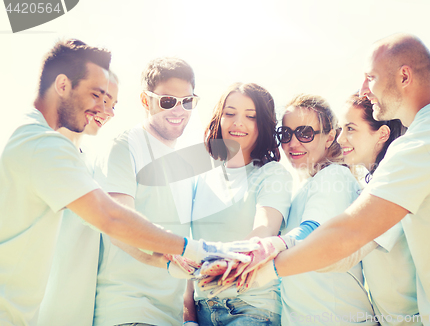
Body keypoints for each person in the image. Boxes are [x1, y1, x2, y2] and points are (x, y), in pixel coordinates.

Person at [0, 39, 252, 326]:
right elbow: (113, 220)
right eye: (97, 96)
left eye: (110, 102)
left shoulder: (65, 152)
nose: (104, 110)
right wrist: (197, 250)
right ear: (62, 85)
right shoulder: (42, 144)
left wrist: (171, 265)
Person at [264, 33, 430, 324]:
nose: (364, 89)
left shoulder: (421, 143)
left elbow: (351, 235)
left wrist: (264, 267)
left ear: (404, 76)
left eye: (370, 77)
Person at [91, 57, 200, 326]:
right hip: (129, 312)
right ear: (145, 101)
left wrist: (190, 318)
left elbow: (183, 253)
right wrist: (170, 254)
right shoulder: (125, 146)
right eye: (167, 101)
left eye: (187, 101)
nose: (179, 109)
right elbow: (119, 224)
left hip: (170, 318)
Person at [187, 82, 292, 326]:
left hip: (251, 308)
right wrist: (188, 316)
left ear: (263, 124)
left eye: (250, 116)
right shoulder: (202, 178)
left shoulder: (272, 174)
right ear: (218, 119)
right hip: (203, 310)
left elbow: (264, 231)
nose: (238, 123)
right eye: (230, 113)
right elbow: (190, 250)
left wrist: (217, 264)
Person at [277, 94, 378, 325]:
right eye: (285, 134)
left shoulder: (334, 176)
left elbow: (312, 233)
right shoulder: (306, 188)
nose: (292, 143)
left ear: (330, 136)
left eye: (305, 133)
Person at [37, 71, 118, 326]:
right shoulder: (41, 151)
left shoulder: (95, 165)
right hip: (38, 311)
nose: (109, 112)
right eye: (102, 100)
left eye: (114, 105)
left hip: (80, 313)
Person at [337, 94, 419, 325]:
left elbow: (350, 249)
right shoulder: (372, 186)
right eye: (339, 129)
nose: (340, 138)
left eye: (350, 129)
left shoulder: (393, 184)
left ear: (382, 134)